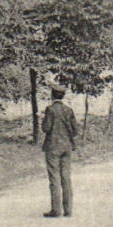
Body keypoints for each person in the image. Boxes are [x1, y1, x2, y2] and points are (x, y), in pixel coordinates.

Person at [41, 86, 79, 217]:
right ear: (63, 96)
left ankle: (56, 210)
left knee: (54, 178)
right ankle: (68, 210)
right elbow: (75, 131)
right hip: (67, 147)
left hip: (53, 147)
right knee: (66, 178)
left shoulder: (50, 110)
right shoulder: (69, 110)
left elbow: (46, 128)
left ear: (52, 95)